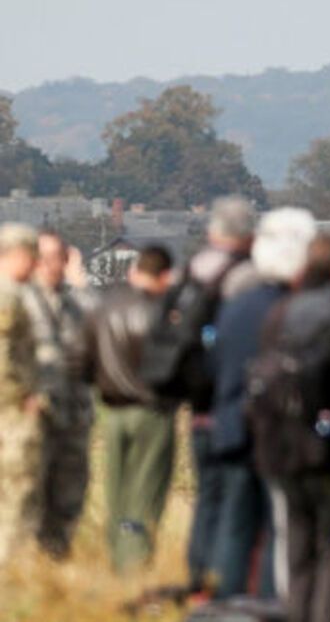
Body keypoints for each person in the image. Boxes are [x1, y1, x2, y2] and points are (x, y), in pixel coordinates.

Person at [209, 206, 316, 600]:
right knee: (278, 530)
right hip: (278, 434)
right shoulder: (298, 311)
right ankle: (270, 605)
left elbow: (215, 364)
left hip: (233, 427)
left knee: (235, 524)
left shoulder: (235, 306)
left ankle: (226, 603)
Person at [256, 232, 330, 622]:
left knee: (295, 537)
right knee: (327, 544)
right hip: (324, 441)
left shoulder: (280, 311)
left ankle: (294, 610)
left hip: (280, 438)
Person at [180, 195, 260, 595]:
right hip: (235, 409)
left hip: (198, 408)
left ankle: (198, 576)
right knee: (237, 504)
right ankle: (228, 586)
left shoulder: (190, 274)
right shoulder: (249, 281)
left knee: (206, 496)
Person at [82, 244, 178, 573]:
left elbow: (80, 360)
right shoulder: (163, 315)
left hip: (112, 412)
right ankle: (135, 560)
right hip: (153, 412)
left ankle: (116, 555)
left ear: (135, 271)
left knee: (116, 489)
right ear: (165, 276)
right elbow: (179, 366)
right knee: (146, 491)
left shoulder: (103, 309)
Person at [21, 229, 94, 559]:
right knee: (29, 496)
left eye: (58, 258)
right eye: (45, 258)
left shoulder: (75, 303)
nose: (51, 265)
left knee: (68, 496)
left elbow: (101, 323)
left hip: (72, 416)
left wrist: (81, 282)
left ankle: (55, 561)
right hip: (31, 417)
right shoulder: (18, 301)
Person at [0, 223, 42, 564]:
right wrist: (23, 395)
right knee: (17, 487)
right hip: (10, 409)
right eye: (32, 256)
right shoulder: (8, 296)